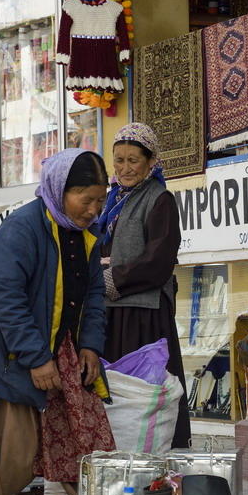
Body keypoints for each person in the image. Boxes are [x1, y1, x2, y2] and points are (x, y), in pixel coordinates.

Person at [0, 149, 115, 495]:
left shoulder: (87, 233)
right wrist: (37, 359)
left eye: (100, 200)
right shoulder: (22, 228)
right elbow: (7, 300)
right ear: (59, 191)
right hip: (16, 359)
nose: (93, 209)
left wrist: (90, 345)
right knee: (7, 460)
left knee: (86, 447)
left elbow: (93, 294)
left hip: (68, 355)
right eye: (85, 199)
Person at [95, 123, 191, 448]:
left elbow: (159, 259)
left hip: (143, 314)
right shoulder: (111, 201)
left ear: (151, 161)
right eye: (119, 160)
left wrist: (113, 278)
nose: (125, 168)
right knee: (117, 391)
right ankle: (116, 448)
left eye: (133, 160)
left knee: (145, 389)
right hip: (111, 310)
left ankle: (157, 449)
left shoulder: (159, 199)